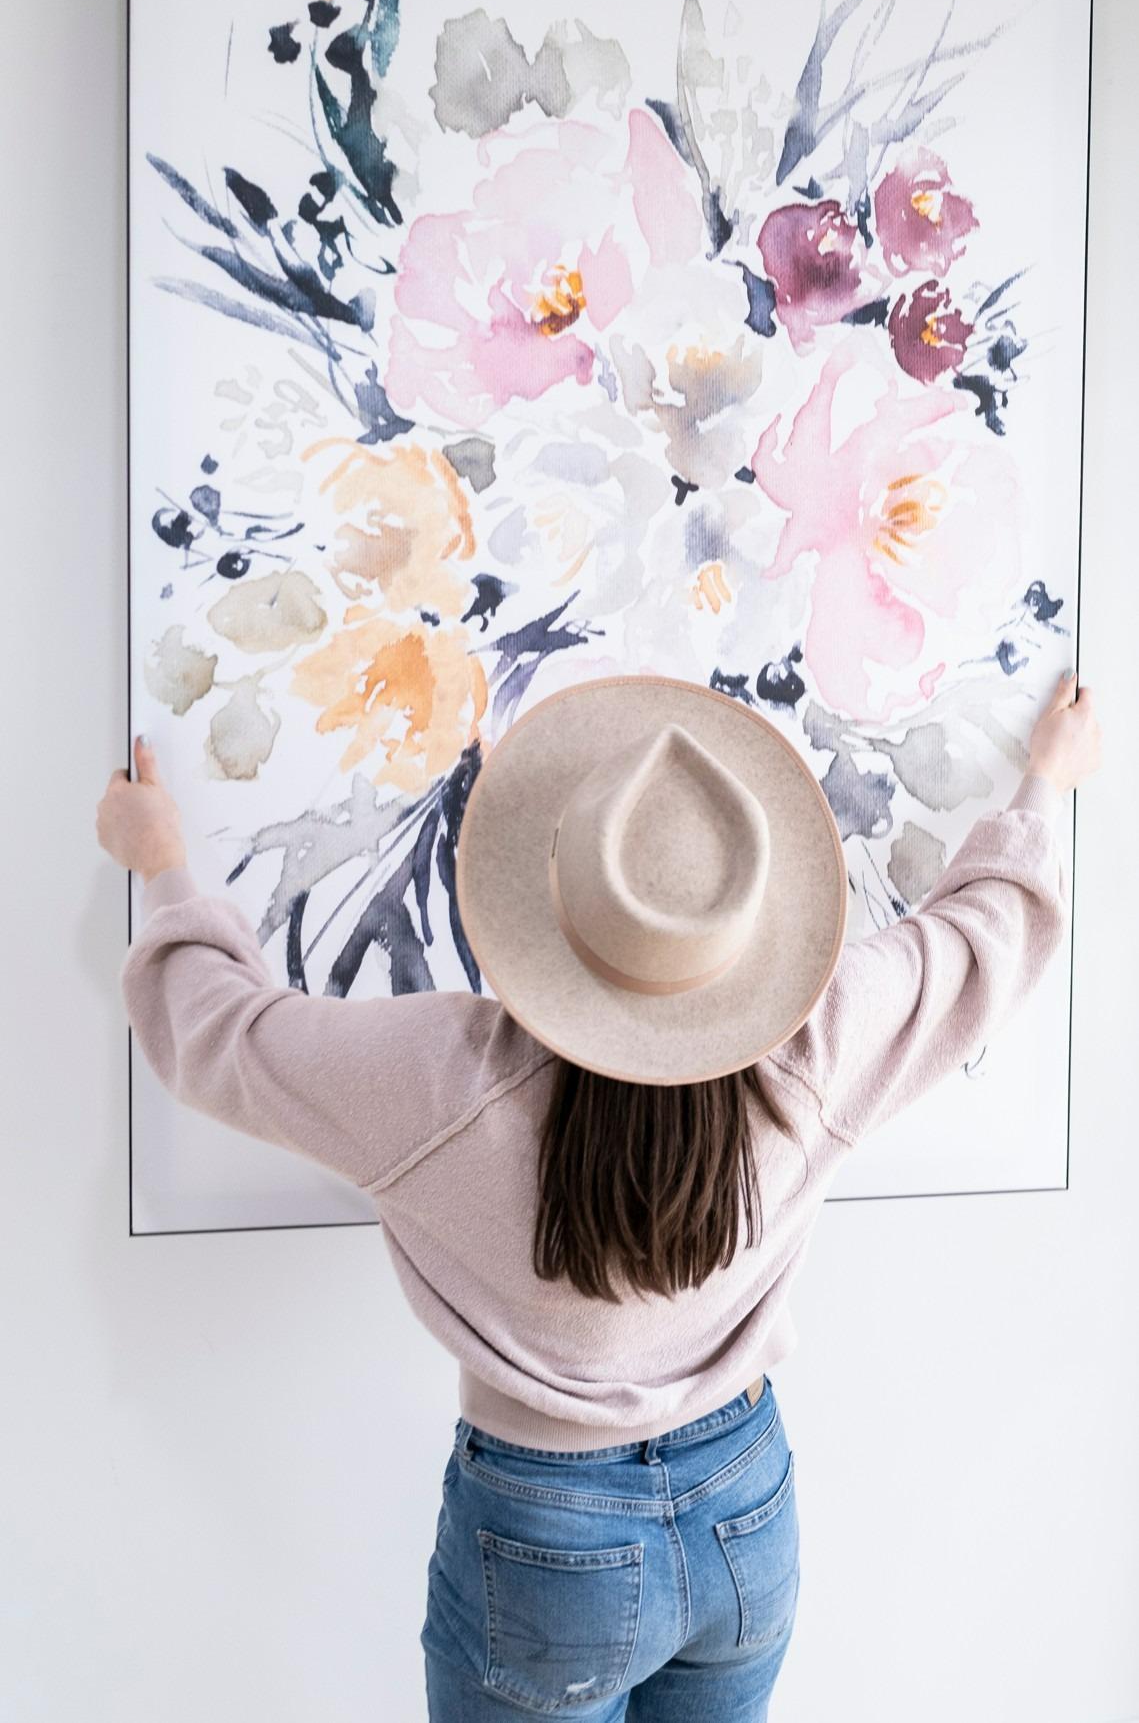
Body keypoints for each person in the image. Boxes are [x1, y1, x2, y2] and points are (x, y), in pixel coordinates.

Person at [96, 665, 1100, 1721]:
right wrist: (1044, 778)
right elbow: (985, 936)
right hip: (744, 1511)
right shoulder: (817, 1052)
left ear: (545, 903)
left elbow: (216, 1030)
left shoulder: (438, 1081)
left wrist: (162, 863)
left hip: (544, 1542)